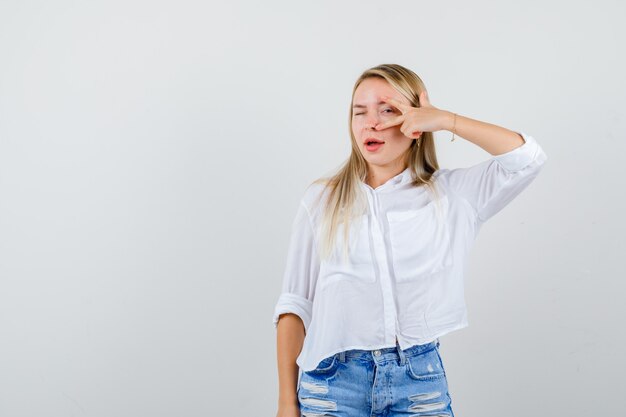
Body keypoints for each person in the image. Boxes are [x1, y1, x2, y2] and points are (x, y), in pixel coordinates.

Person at [272, 63, 548, 417]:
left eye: (388, 111)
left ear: (415, 122)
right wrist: (285, 403)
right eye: (360, 112)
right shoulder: (321, 200)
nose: (371, 122)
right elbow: (294, 306)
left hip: (418, 384)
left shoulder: (452, 195)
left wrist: (445, 120)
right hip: (330, 386)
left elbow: (528, 159)